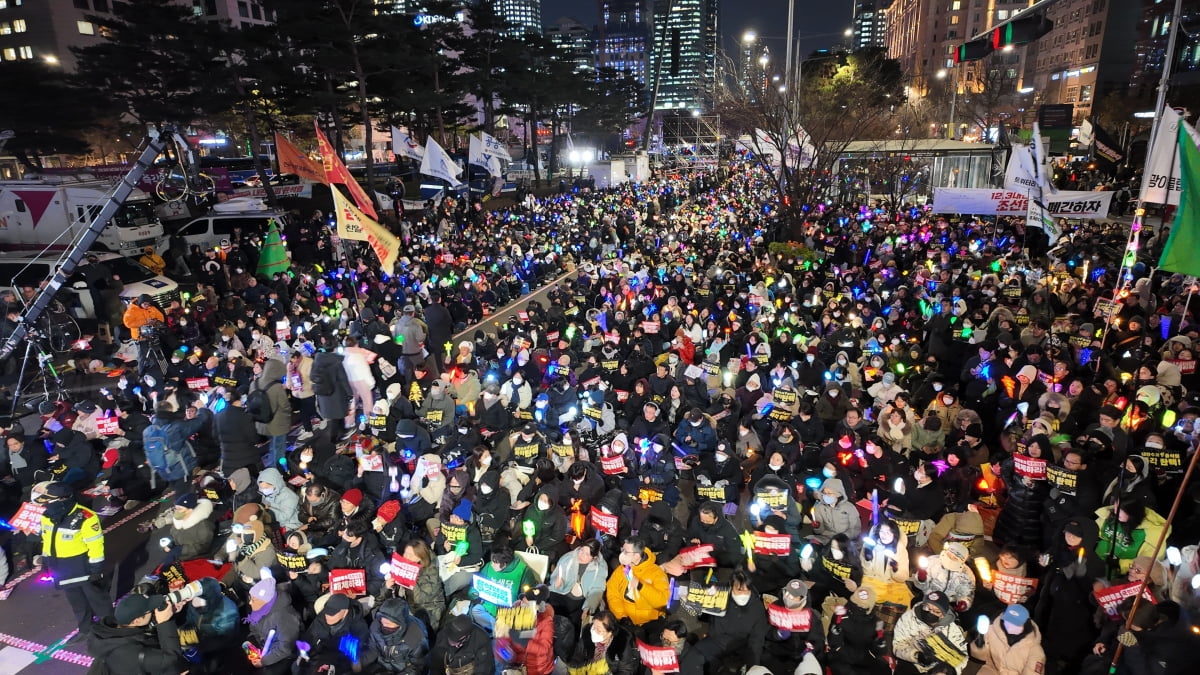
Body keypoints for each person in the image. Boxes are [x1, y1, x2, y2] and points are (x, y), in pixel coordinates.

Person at [37, 481, 113, 642]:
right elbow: (46, 539)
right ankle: (85, 629)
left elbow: (96, 544)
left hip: (83, 566)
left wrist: (96, 568)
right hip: (62, 567)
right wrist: (46, 560)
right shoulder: (47, 516)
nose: (46, 504)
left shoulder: (87, 517)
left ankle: (110, 629)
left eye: (50, 500)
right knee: (76, 602)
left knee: (98, 600)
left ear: (63, 500)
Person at [87, 593, 187, 674]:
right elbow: (171, 658)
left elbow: (143, 630)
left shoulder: (112, 630)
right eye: (151, 611)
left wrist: (170, 614)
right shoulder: (130, 653)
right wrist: (165, 622)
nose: (154, 611)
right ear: (136, 621)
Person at [605, 536, 671, 628]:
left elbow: (662, 600)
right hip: (625, 621)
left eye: (626, 552)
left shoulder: (656, 573)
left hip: (650, 622)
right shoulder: (621, 569)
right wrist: (621, 616)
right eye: (622, 550)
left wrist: (641, 586)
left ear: (637, 556)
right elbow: (612, 593)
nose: (622, 554)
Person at [970, 604, 1046, 675]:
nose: (1010, 627)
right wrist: (979, 645)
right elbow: (982, 657)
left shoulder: (1035, 651)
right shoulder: (992, 630)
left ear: (1025, 625)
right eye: (1008, 621)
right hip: (992, 669)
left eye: (1015, 624)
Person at [253, 357, 293, 468]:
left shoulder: (255, 383)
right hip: (277, 423)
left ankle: (272, 463)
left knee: (272, 444)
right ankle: (278, 469)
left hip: (262, 422)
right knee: (279, 446)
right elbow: (285, 406)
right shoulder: (276, 386)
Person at [123, 294, 165, 376]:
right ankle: (141, 374)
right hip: (140, 338)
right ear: (140, 302)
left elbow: (161, 317)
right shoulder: (132, 310)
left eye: (148, 304)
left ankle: (160, 372)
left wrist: (155, 321)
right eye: (145, 304)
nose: (147, 306)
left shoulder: (152, 309)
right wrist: (145, 321)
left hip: (152, 335)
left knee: (158, 354)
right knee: (142, 356)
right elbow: (128, 323)